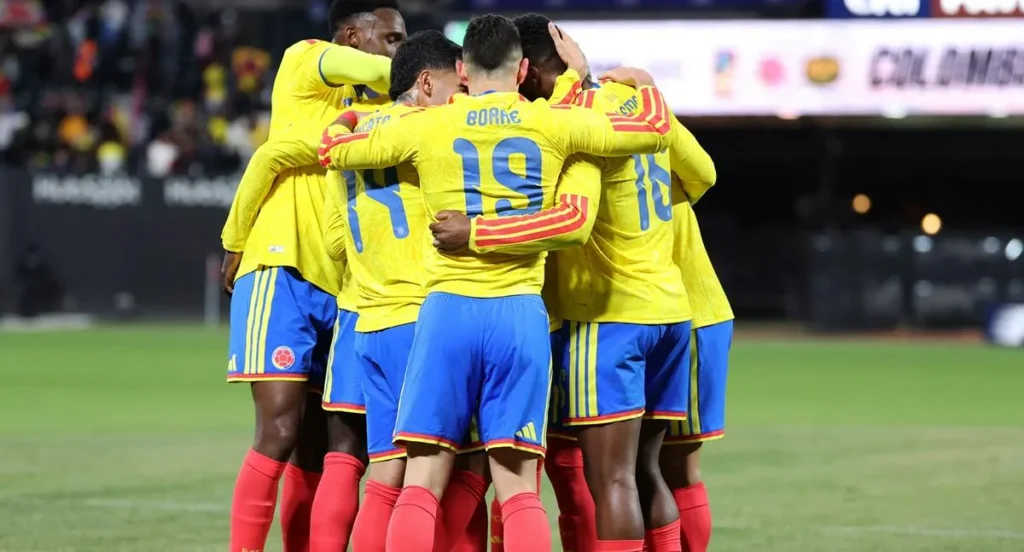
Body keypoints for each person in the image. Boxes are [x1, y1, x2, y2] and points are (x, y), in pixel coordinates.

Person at [318, 13, 674, 552]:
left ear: (462, 71)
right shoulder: (552, 123)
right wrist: (633, 82)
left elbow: (333, 151)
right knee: (518, 489)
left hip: (447, 311)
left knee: (421, 481)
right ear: (523, 69)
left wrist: (347, 119)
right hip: (518, 313)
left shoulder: (429, 125)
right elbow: (654, 129)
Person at [481, 14, 717, 552]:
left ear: (528, 71)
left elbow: (566, 216)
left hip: (607, 316)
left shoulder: (567, 120)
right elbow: (703, 174)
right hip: (670, 309)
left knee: (611, 481)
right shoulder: (635, 103)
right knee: (646, 471)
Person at [218, 2, 406, 551]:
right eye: (391, 38)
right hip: (283, 264)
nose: (396, 49)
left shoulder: (377, 109)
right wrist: (235, 240)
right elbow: (271, 156)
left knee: (320, 446)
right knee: (279, 429)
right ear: (353, 34)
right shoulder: (306, 59)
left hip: (344, 283)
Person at [318, 30, 480, 552]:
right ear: (427, 83)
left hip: (368, 324)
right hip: (422, 319)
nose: (463, 98)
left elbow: (335, 241)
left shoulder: (350, 139)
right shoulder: (432, 128)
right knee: (470, 466)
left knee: (386, 477)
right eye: (458, 86)